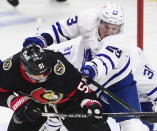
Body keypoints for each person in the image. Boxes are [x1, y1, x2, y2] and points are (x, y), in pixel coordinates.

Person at [21, 1, 151, 131]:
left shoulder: (119, 42)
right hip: (88, 81)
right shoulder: (88, 19)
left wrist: (91, 69)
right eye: (106, 26)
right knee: (63, 107)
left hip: (119, 83)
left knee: (132, 125)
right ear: (99, 21)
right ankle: (51, 126)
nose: (109, 32)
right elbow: (64, 28)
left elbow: (105, 61)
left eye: (114, 28)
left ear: (120, 28)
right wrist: (43, 39)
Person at [0, 44, 111, 131]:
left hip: (66, 102)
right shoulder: (10, 69)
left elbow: (81, 91)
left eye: (46, 72)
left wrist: (91, 104)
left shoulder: (58, 65)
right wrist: (18, 103)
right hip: (33, 105)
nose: (43, 77)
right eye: (37, 75)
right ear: (24, 69)